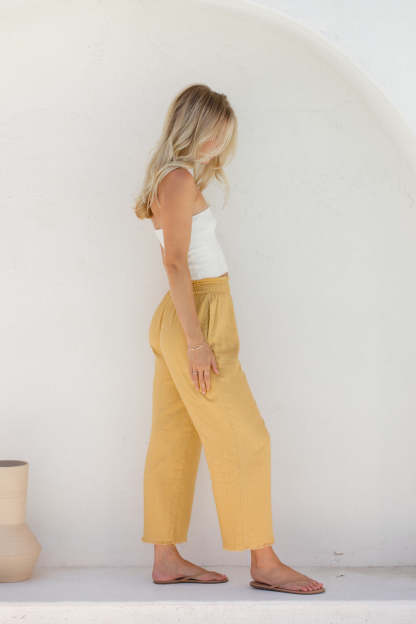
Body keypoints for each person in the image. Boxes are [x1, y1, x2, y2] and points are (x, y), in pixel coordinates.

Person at [133, 84, 325, 595]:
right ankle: (264, 561)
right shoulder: (177, 179)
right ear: (196, 127)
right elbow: (175, 263)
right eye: (216, 133)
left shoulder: (173, 177)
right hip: (197, 313)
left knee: (174, 437)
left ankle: (166, 558)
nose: (219, 144)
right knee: (246, 436)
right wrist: (198, 342)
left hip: (183, 315)